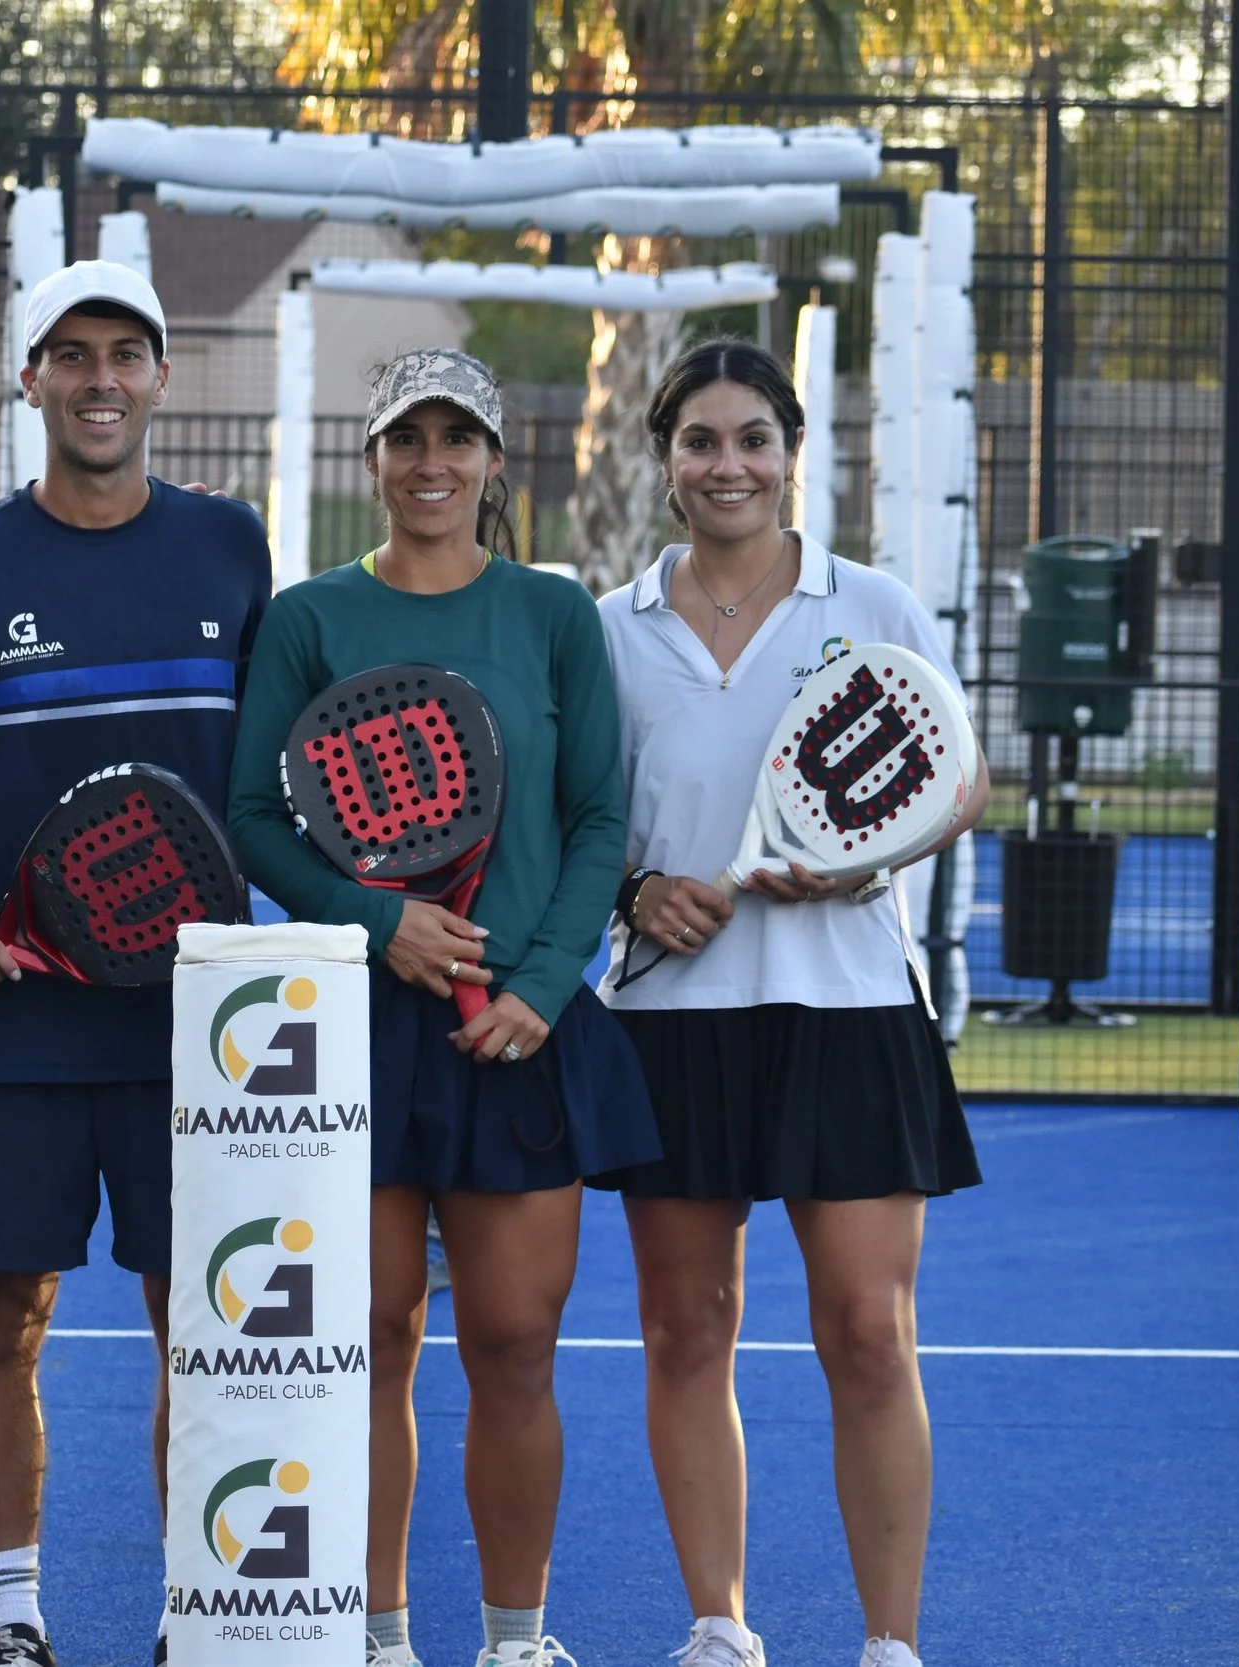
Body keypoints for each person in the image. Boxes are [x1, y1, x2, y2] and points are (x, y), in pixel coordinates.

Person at [0, 260, 272, 1667]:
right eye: (69, 353)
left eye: (125, 353)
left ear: (159, 377)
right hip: (13, 1028)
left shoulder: (233, 548)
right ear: (29, 378)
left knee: (202, 1339)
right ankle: (15, 1621)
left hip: (202, 1031)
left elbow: (272, 777)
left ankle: (194, 1612)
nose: (99, 377)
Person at [225, 348, 657, 1667]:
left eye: (455, 438)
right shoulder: (309, 619)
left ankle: (516, 1638)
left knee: (516, 1344)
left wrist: (538, 986)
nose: (430, 462)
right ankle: (374, 1634)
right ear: (372, 460)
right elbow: (255, 818)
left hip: (518, 1027)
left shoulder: (553, 614)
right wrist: (380, 922)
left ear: (490, 462)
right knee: (368, 1336)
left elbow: (597, 819)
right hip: (356, 1023)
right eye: (405, 436)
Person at [593, 339, 988, 1667]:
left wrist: (867, 855)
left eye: (752, 438)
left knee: (868, 1332)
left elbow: (957, 772)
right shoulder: (609, 625)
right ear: (665, 462)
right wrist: (639, 891)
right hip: (670, 1022)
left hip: (849, 1010)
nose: (728, 464)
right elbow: (582, 820)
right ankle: (721, 1625)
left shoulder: (870, 602)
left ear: (791, 452)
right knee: (685, 1327)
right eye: (700, 440)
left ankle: (890, 1642)